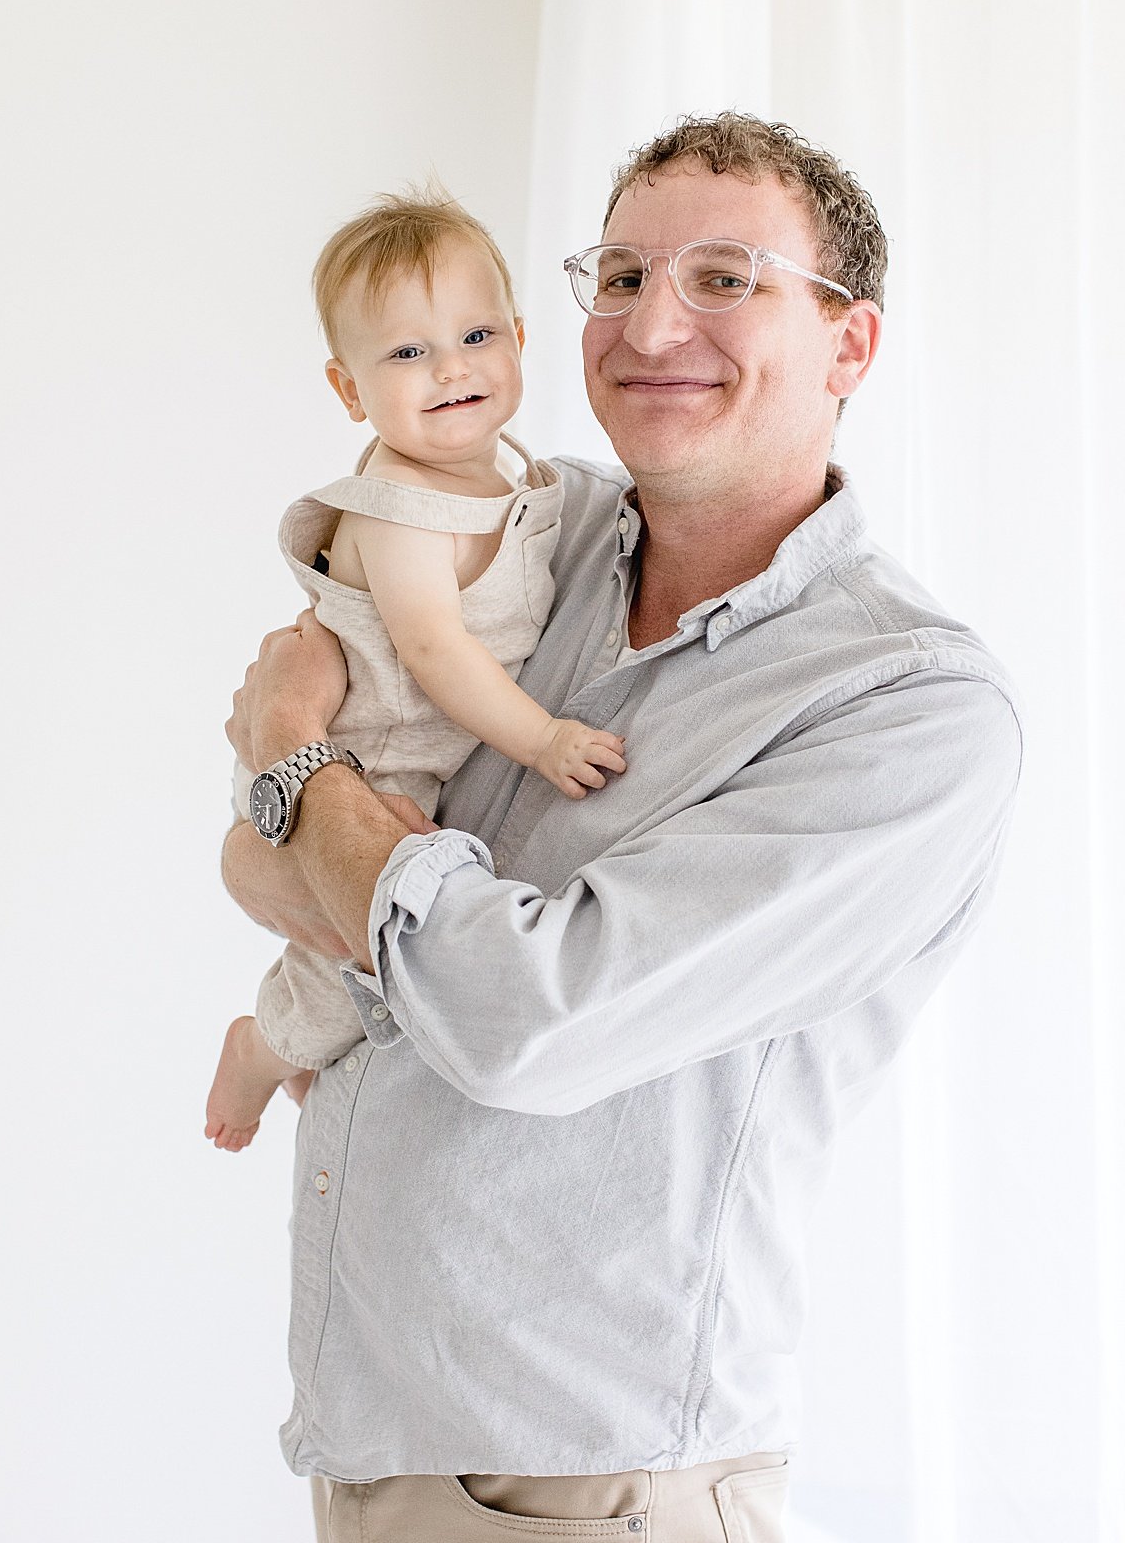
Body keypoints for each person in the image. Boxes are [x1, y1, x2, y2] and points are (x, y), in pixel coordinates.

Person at [221, 113, 1022, 1543]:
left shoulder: (907, 709)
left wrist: (296, 762)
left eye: (727, 278)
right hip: (375, 1433)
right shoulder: (533, 535)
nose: (654, 324)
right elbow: (285, 862)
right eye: (620, 275)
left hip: (593, 1485)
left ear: (851, 347)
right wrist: (316, 820)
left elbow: (525, 1015)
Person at [205, 191, 626, 1151]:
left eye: (476, 334)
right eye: (405, 353)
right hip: (357, 760)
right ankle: (263, 1050)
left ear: (521, 339)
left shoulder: (515, 478)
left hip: (410, 762)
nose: (450, 368)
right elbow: (434, 648)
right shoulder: (396, 504)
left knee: (396, 962)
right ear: (349, 390)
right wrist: (542, 738)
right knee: (366, 953)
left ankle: (320, 1057)